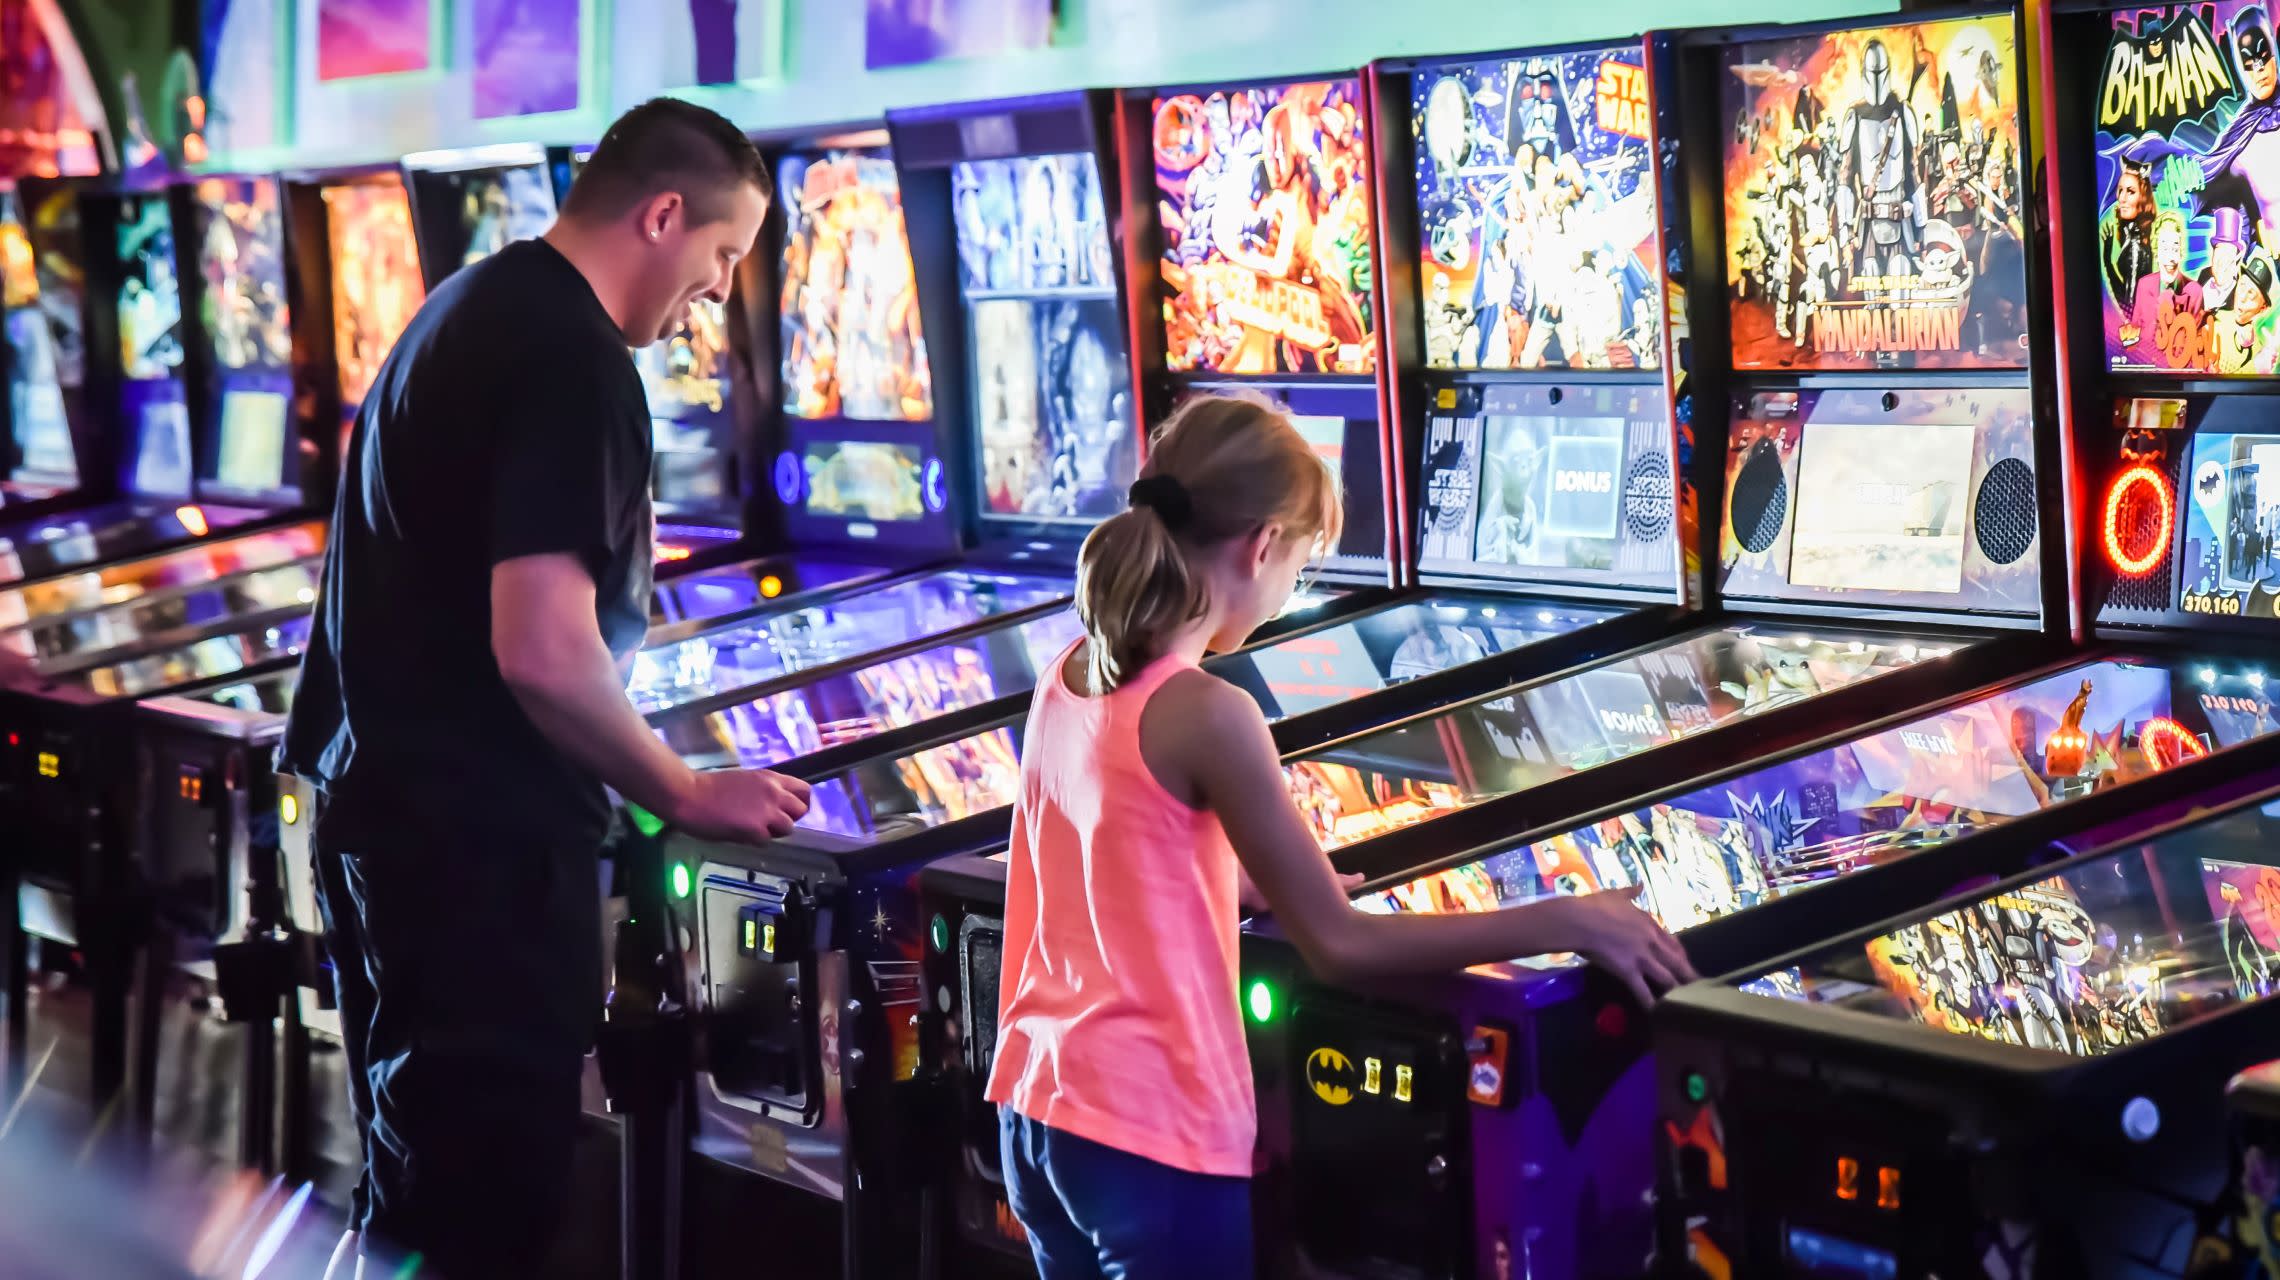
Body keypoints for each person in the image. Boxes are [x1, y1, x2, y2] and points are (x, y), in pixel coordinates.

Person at [277, 99, 811, 1278]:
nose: (721, 292)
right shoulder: (574, 357)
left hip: (393, 833)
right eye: (722, 254)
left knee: (415, 1197)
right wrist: (683, 789)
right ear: (661, 214)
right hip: (481, 862)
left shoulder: (463, 308)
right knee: (485, 1214)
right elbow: (543, 645)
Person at [986, 393, 1694, 1279]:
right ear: (1261, 546)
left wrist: (1217, 879)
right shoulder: (1211, 712)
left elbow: (1100, 839)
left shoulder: (1071, 669)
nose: (1292, 595)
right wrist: (1570, 922)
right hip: (1150, 1137)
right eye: (1304, 566)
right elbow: (1341, 944)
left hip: (1038, 1110)